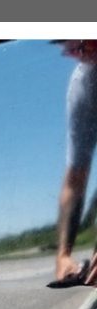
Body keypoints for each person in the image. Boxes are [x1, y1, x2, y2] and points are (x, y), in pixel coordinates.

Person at [53, 41, 97, 287]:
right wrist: (63, 256)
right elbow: (75, 178)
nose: (85, 55)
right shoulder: (84, 86)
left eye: (89, 42)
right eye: (74, 50)